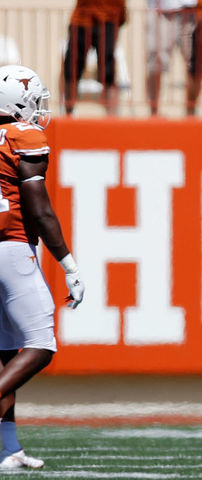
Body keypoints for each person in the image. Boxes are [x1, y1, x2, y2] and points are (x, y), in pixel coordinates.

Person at [0, 65, 85, 468]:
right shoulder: (23, 136)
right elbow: (39, 208)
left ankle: (7, 449)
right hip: (10, 249)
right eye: (33, 101)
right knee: (40, 344)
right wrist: (68, 263)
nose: (37, 110)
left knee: (5, 353)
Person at [63, 0, 127, 116]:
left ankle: (111, 117)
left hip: (109, 18)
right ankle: (68, 112)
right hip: (82, 18)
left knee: (109, 70)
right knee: (71, 68)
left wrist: (120, 16)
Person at [147, 0, 197, 115]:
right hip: (160, 9)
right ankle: (154, 112)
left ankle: (191, 114)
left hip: (190, 10)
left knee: (193, 63)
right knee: (156, 61)